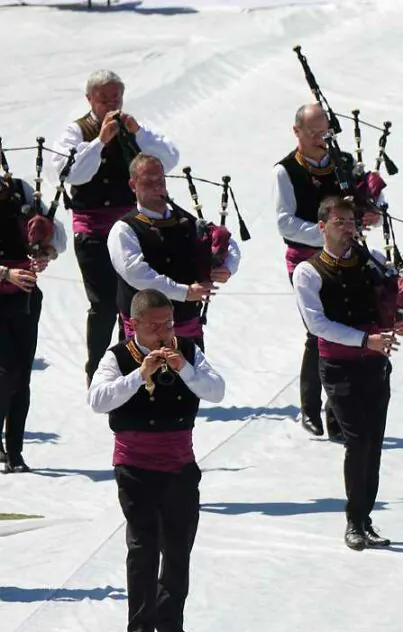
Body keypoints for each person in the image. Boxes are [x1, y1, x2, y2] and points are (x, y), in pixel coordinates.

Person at [87, 288, 225, 632]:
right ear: (133, 325)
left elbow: (217, 392)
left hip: (180, 461)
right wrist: (138, 375)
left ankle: (170, 623)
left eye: (168, 324)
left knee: (178, 544)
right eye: (155, 326)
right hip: (135, 464)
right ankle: (140, 629)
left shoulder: (189, 351)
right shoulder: (117, 357)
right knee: (143, 544)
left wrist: (185, 369)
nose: (164, 332)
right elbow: (97, 400)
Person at [292, 195, 403, 551]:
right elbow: (317, 324)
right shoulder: (309, 271)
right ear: (322, 227)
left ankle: (365, 519)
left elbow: (398, 293)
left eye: (351, 223)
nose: (348, 230)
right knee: (358, 439)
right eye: (339, 223)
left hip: (375, 363)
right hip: (339, 366)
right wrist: (365, 339)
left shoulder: (372, 260)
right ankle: (353, 519)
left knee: (373, 442)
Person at [54, 70, 180, 382]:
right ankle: (97, 369)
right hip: (94, 230)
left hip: (133, 230)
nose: (111, 104)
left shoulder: (132, 127)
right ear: (89, 100)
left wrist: (139, 134)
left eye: (116, 97)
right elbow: (71, 174)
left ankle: (139, 364)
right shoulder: (77, 132)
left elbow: (169, 158)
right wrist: (99, 141)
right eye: (104, 99)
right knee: (104, 304)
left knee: (136, 301)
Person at [274, 103, 379, 440]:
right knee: (317, 329)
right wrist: (324, 233)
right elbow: (284, 222)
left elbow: (367, 201)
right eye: (313, 132)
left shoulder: (343, 163)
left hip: (346, 253)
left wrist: (371, 213)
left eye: (325, 132)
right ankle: (309, 406)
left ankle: (338, 411)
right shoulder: (286, 170)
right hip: (308, 258)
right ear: (297, 132)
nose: (321, 138)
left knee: (348, 320)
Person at [108, 154, 239, 347]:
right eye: (148, 182)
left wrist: (227, 266)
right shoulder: (125, 229)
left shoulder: (184, 219)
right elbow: (137, 275)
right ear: (133, 185)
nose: (157, 187)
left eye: (160, 180)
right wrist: (184, 292)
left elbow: (225, 240)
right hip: (146, 335)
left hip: (188, 327)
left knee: (194, 378)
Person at [0, 165, 68, 473]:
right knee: (6, 371)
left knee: (22, 376)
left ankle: (15, 451)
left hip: (25, 297)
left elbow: (57, 233)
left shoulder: (20, 190)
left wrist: (47, 251)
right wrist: (5, 273)